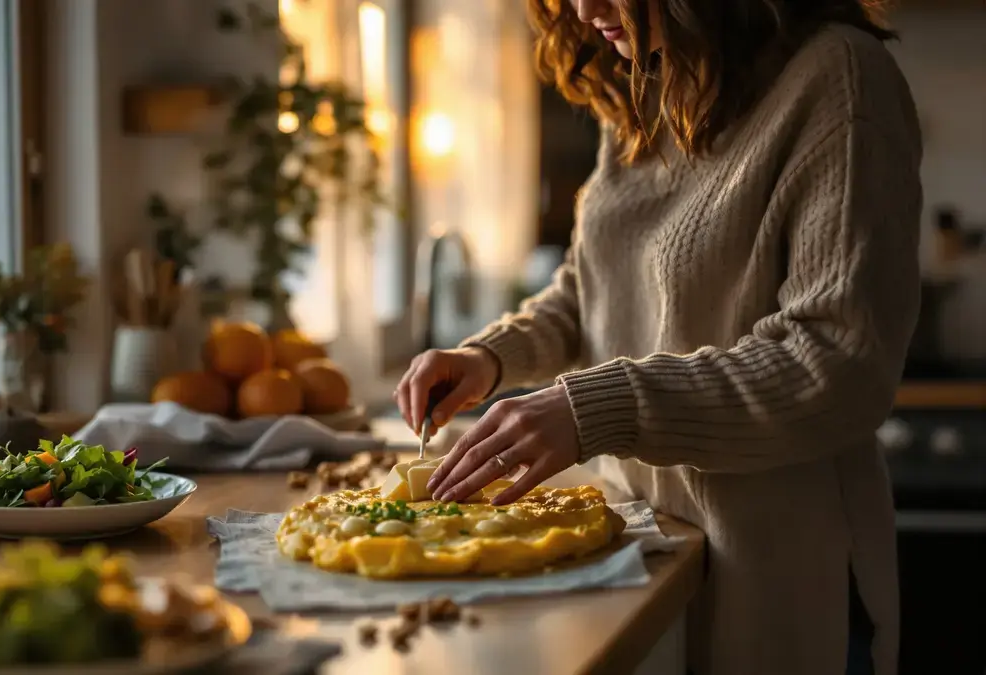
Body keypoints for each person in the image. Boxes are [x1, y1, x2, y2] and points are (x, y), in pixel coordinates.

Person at [394, 1, 921, 674]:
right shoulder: (648, 80)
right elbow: (592, 289)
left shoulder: (839, 78)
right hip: (644, 558)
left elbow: (837, 364)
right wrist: (490, 356)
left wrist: (598, 408)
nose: (585, 11)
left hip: (780, 579)